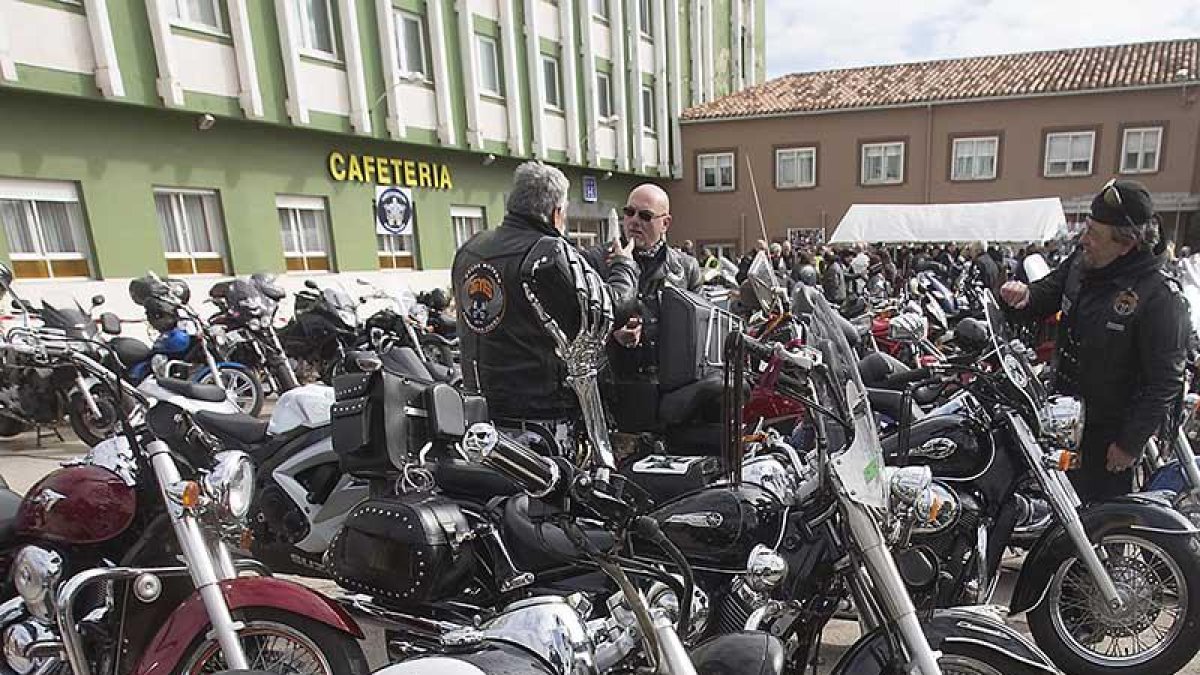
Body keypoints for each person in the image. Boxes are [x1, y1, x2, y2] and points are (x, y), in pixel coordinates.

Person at [1000, 179, 1190, 502]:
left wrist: (1129, 444)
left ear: (1126, 244)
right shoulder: (1083, 262)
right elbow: (1045, 293)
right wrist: (1022, 296)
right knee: (1056, 513)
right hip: (1065, 421)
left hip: (1108, 439)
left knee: (1100, 527)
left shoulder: (1158, 296)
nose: (1084, 239)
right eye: (1087, 228)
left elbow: (1166, 381)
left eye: (1094, 234)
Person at [453, 162, 637, 441]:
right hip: (540, 416)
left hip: (480, 411)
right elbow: (612, 308)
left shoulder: (470, 249)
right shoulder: (549, 251)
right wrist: (623, 265)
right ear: (556, 212)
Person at [586, 183, 701, 380]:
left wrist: (648, 329)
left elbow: (698, 330)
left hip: (669, 384)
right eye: (629, 212)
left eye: (645, 216)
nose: (634, 221)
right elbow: (579, 320)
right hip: (614, 383)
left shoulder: (685, 267)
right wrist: (612, 331)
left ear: (665, 223)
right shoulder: (596, 260)